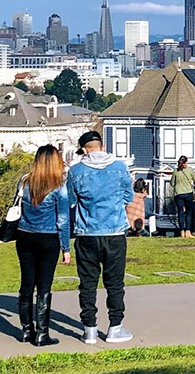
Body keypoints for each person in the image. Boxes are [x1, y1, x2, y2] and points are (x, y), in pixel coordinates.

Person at [67, 131, 134, 344]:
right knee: (115, 283)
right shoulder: (120, 167)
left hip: (87, 232)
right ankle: (115, 326)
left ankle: (89, 329)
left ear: (85, 149)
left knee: (87, 282)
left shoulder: (76, 171)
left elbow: (70, 200)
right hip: (114, 231)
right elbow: (128, 196)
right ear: (102, 146)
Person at [17, 145, 71, 346]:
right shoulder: (59, 186)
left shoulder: (24, 182)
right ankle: (42, 333)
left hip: (24, 235)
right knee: (44, 285)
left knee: (26, 283)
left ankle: (26, 330)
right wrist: (66, 248)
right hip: (48, 238)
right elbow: (63, 220)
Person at [170, 156, 195, 238]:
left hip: (178, 193)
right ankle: (188, 231)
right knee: (188, 212)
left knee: (180, 212)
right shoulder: (190, 170)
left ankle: (182, 231)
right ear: (185, 163)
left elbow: (172, 183)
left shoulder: (175, 171)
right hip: (188, 192)